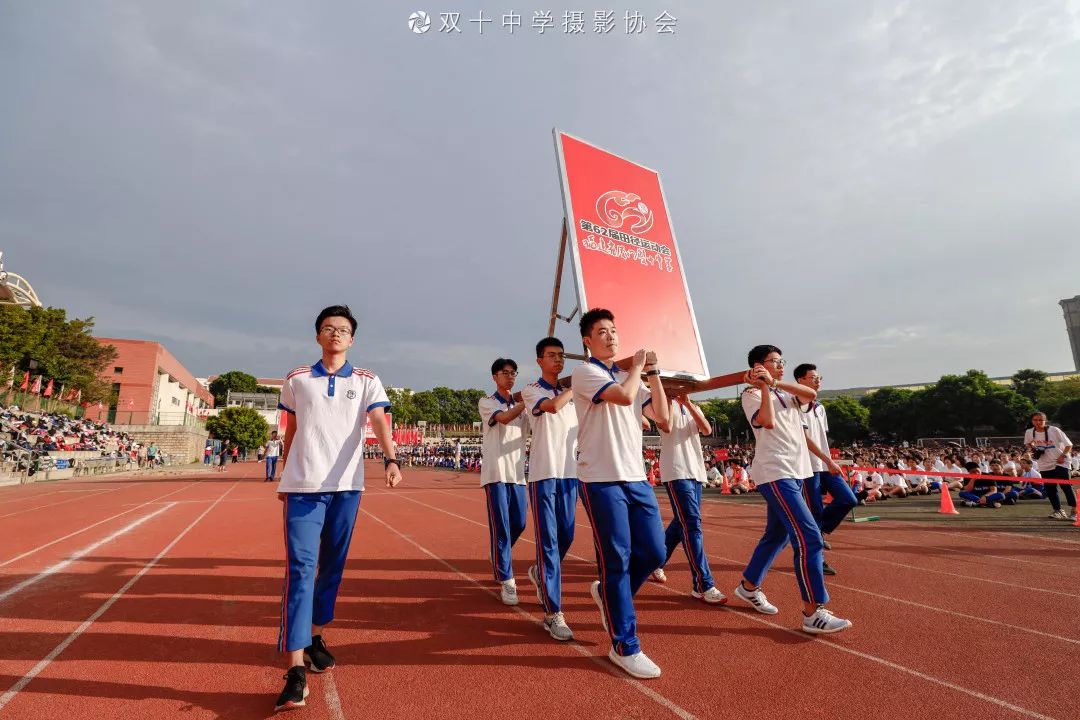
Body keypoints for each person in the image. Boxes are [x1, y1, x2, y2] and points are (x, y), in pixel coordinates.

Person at [273, 304, 401, 713]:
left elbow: (380, 421)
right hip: (304, 488)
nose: (335, 334)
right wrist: (285, 476)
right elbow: (291, 428)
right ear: (317, 336)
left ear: (352, 339)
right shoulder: (297, 379)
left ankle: (313, 637)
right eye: (328, 328)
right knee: (300, 569)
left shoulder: (367, 380)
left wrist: (391, 459)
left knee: (332, 567)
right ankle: (294, 671)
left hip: (347, 488)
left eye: (342, 330)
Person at [572, 308, 670, 679]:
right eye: (602, 331)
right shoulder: (586, 372)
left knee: (655, 551)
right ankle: (624, 645)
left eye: (614, 330)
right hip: (600, 478)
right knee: (618, 556)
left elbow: (662, 418)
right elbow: (625, 398)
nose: (611, 336)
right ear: (587, 340)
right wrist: (639, 367)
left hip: (635, 476)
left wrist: (655, 374)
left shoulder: (630, 377)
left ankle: (610, 594)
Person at [734, 345, 851, 635]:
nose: (781, 365)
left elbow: (810, 396)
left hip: (798, 471)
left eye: (781, 361)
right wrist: (762, 387)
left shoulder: (787, 393)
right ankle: (813, 611)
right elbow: (768, 421)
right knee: (809, 538)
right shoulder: (749, 395)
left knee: (778, 534)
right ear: (759, 365)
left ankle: (749, 585)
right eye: (774, 362)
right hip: (776, 472)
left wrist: (773, 383)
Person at [519, 337, 579, 641]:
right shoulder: (531, 391)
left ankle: (540, 571)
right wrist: (576, 385)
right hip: (544, 475)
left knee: (567, 535)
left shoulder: (574, 395)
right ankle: (554, 613)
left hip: (569, 475)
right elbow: (553, 407)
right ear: (540, 360)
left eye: (561, 356)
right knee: (549, 541)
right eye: (552, 356)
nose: (558, 360)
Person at [651, 395, 726, 604]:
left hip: (696, 471)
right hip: (676, 470)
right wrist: (671, 399)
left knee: (680, 523)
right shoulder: (661, 403)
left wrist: (688, 403)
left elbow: (706, 429)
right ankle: (703, 584)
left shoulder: (692, 405)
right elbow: (666, 426)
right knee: (692, 524)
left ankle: (654, 562)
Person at [792, 363, 856, 577]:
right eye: (813, 377)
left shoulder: (820, 407)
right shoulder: (795, 406)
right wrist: (828, 460)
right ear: (800, 380)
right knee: (815, 511)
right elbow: (805, 439)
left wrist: (829, 460)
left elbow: (821, 437)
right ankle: (818, 559)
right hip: (809, 467)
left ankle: (819, 534)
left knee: (848, 499)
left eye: (819, 377)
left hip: (825, 464)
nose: (818, 380)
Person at [477, 358, 528, 606]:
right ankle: (507, 579)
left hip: (517, 475)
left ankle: (499, 555)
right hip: (496, 474)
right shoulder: (487, 402)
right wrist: (526, 402)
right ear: (494, 377)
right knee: (502, 526)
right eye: (504, 373)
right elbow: (505, 418)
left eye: (513, 373)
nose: (510, 377)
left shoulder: (522, 406)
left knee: (519, 523)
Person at [1024, 412, 1075, 521]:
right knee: (1050, 488)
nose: (1038, 422)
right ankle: (1058, 511)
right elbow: (1027, 443)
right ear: (1032, 421)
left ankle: (1075, 510)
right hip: (1044, 464)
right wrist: (1033, 448)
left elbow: (1069, 444)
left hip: (1060, 462)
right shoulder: (1029, 432)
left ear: (1045, 421)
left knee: (1066, 486)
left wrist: (1063, 456)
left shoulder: (1054, 430)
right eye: (1035, 420)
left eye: (1040, 420)